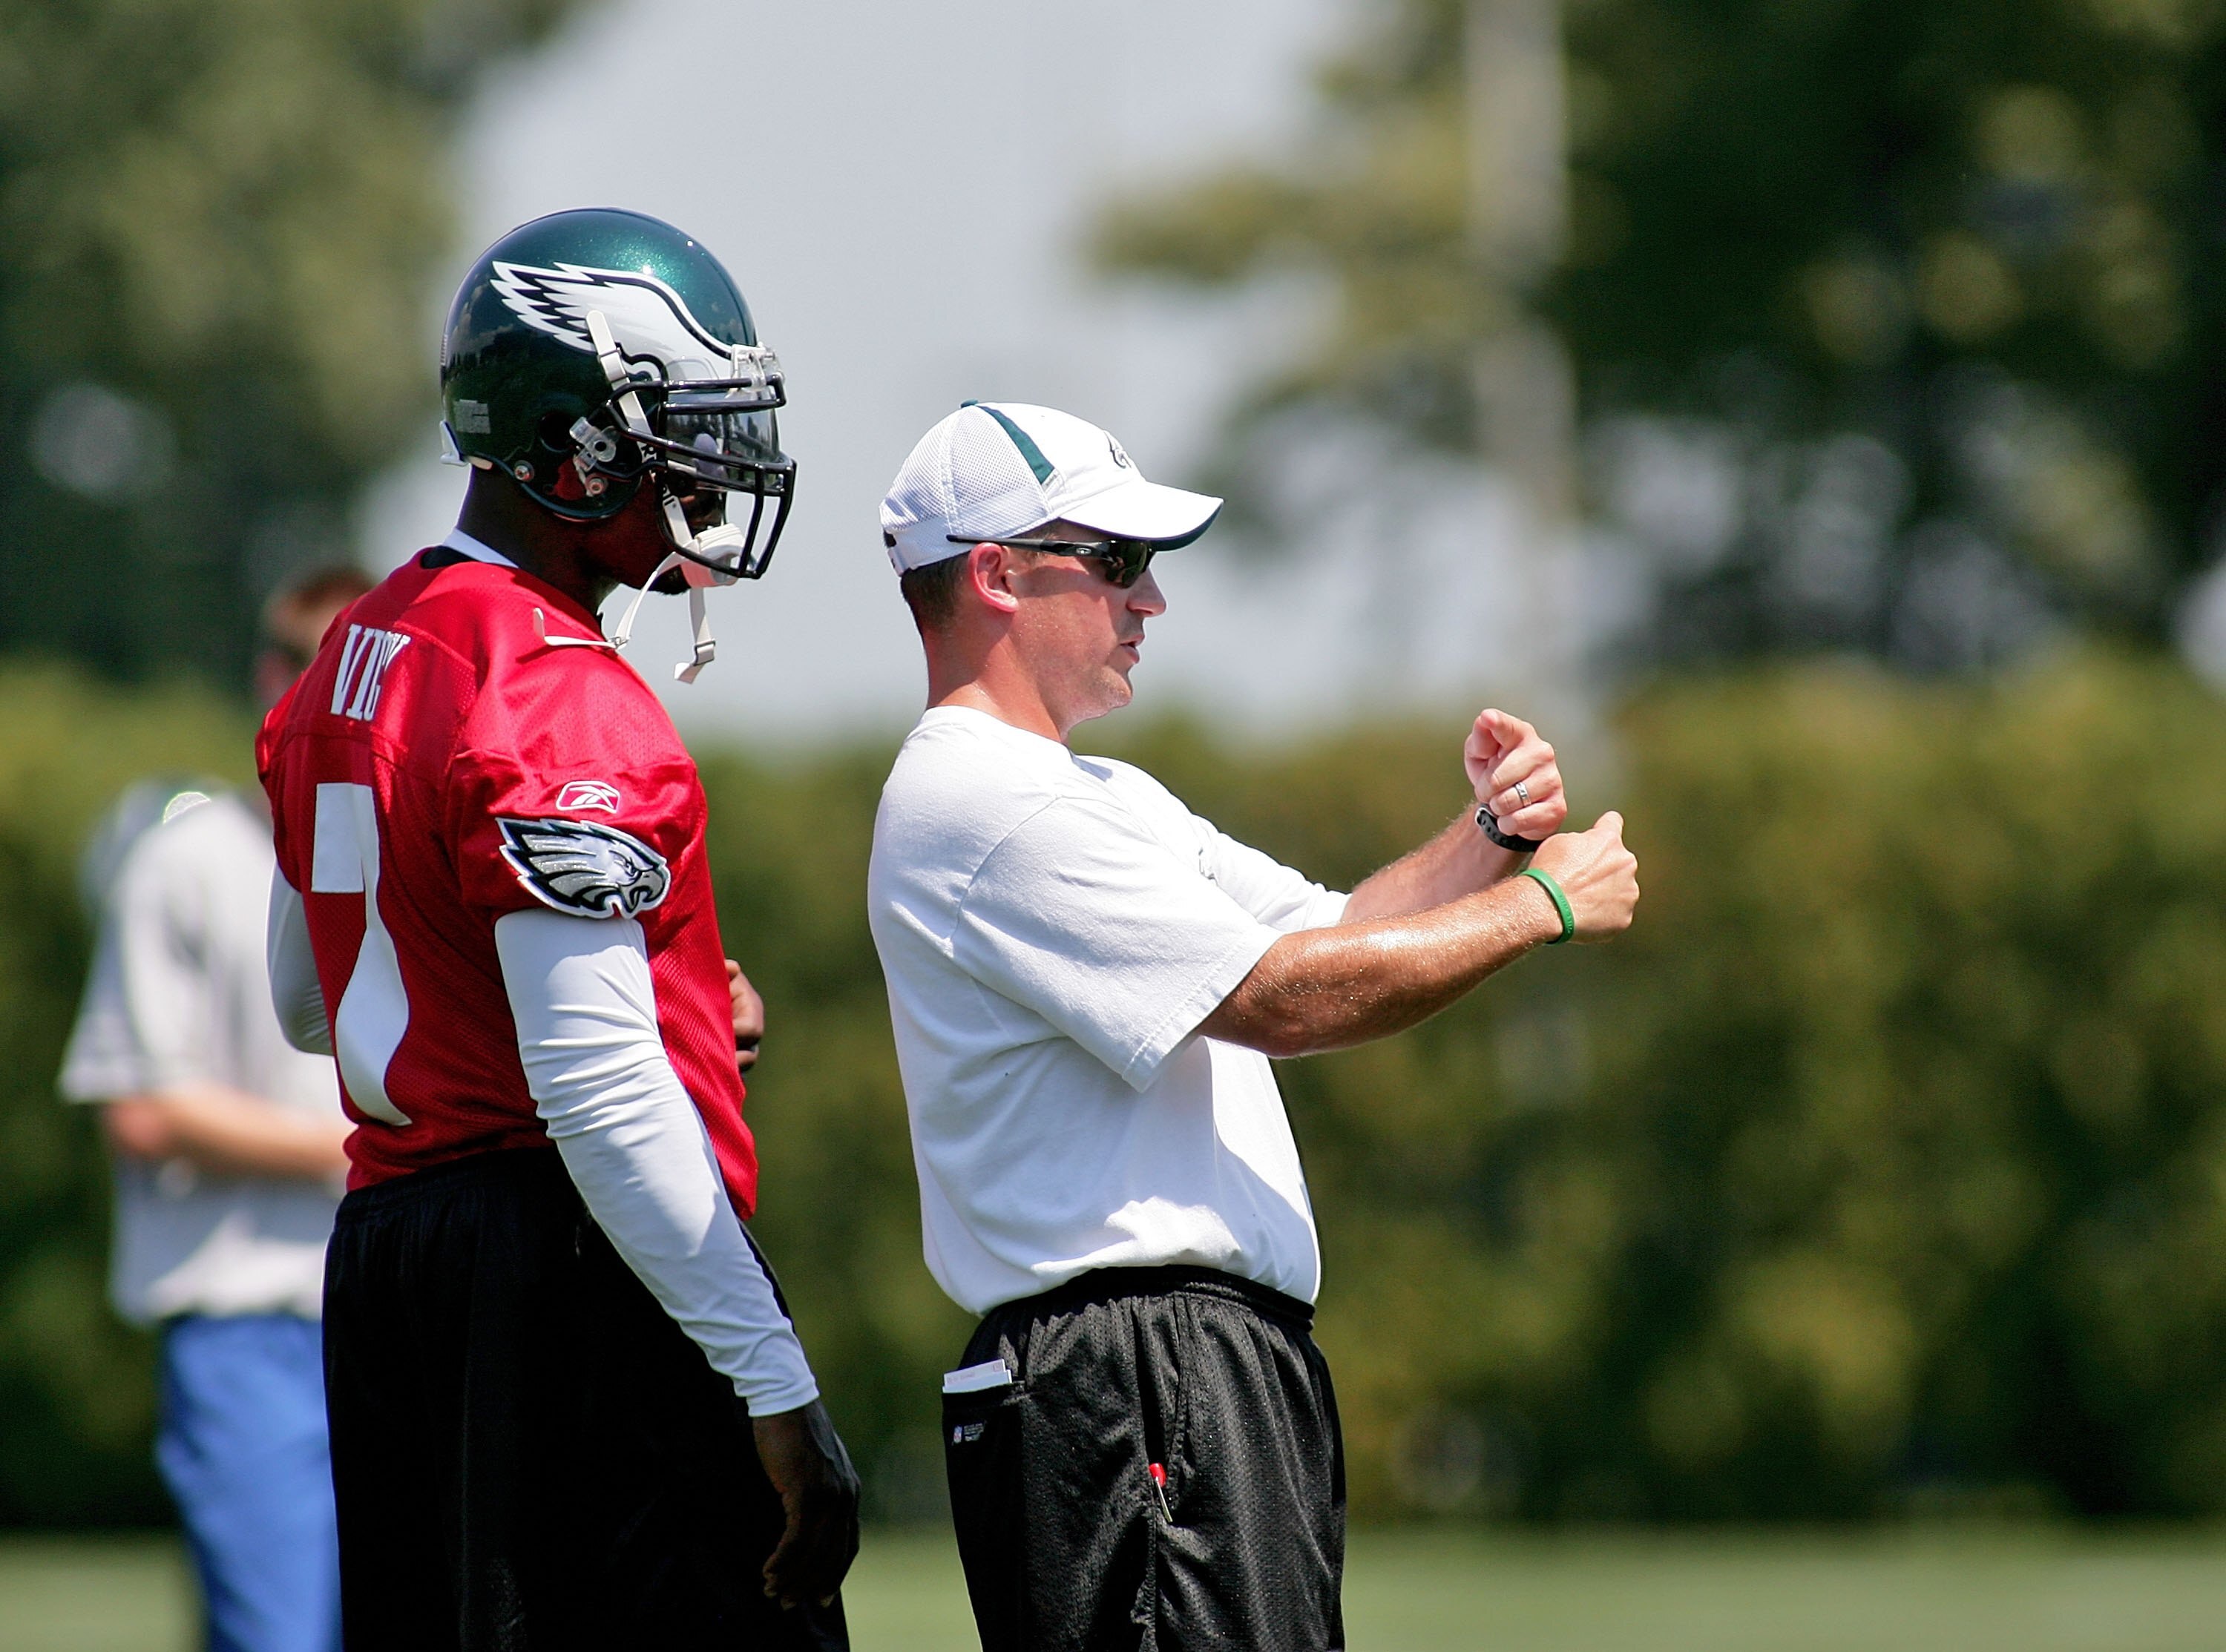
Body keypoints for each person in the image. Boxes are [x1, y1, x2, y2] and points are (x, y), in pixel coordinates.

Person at [867, 401, 1641, 1651]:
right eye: (1116, 563)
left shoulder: (1085, 792)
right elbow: (1284, 1002)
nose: (1150, 600)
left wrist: (1490, 838)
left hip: (1170, 1374)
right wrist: (1539, 910)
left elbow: (1328, 937)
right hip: (1134, 1379)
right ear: (999, 576)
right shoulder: (986, 801)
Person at [257, 207, 858, 1651]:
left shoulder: (352, 648)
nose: (721, 466)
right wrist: (771, 1377)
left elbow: (309, 999)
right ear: (572, 441)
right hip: (568, 1270)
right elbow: (594, 1090)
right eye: (683, 426)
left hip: (394, 1263)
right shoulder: (557, 690)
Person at [59, 566, 374, 1652]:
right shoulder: (184, 864)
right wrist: (363, 1147)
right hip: (246, 1321)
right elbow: (143, 1106)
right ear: (270, 679)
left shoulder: (404, 845)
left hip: (388, 1307)